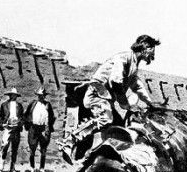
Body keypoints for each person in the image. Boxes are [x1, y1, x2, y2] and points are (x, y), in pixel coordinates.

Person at [59, 35, 165, 164]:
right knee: (106, 118)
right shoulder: (123, 58)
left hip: (106, 100)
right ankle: (68, 142)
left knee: (119, 127)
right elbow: (115, 81)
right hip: (97, 94)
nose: (152, 54)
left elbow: (137, 85)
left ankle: (97, 156)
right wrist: (125, 104)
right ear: (145, 48)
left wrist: (150, 102)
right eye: (151, 49)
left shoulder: (133, 65)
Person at [24, 87, 56, 172]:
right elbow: (26, 114)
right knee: (32, 147)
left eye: (42, 96)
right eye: (39, 95)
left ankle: (42, 167)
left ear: (44, 96)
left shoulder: (47, 105)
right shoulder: (33, 104)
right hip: (33, 128)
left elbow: (52, 117)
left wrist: (48, 127)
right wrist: (28, 124)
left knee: (43, 148)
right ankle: (32, 167)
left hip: (43, 128)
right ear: (37, 96)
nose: (41, 97)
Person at [0, 88, 24, 172]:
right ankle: (1, 167)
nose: (14, 96)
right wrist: (2, 124)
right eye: (12, 95)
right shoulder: (4, 105)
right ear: (10, 95)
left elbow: (23, 117)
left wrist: (20, 122)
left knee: (15, 148)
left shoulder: (19, 106)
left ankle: (12, 167)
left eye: (15, 95)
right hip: (8, 128)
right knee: (4, 146)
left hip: (16, 129)